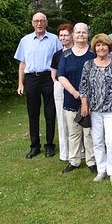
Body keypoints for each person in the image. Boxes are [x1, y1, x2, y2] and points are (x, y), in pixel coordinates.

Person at [79, 34, 112, 186]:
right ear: (94, 48)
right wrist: (84, 105)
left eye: (104, 45)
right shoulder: (88, 65)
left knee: (111, 140)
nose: (101, 48)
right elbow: (83, 86)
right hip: (94, 110)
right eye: (98, 45)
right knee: (98, 141)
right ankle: (102, 170)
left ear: (109, 47)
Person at [14, 12, 62, 159]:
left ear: (46, 23)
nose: (39, 24)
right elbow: (22, 64)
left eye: (42, 21)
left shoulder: (54, 39)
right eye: (36, 21)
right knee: (33, 113)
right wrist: (20, 83)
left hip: (48, 77)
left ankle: (49, 146)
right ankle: (34, 146)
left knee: (50, 112)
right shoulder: (25, 40)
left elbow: (60, 59)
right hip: (31, 78)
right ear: (32, 23)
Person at [57, 23, 97, 173]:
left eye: (84, 32)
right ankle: (74, 161)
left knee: (88, 132)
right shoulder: (66, 56)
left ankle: (91, 161)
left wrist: (86, 96)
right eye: (78, 32)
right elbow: (60, 75)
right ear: (73, 35)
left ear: (88, 35)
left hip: (91, 101)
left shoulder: (93, 54)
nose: (81, 35)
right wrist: (75, 92)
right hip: (71, 99)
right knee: (73, 132)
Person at [51, 23, 74, 162]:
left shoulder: (78, 51)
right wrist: (59, 85)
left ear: (72, 35)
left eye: (66, 35)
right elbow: (53, 74)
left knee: (77, 121)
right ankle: (65, 153)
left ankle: (80, 151)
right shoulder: (57, 55)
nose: (63, 38)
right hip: (60, 88)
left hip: (75, 88)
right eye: (61, 35)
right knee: (62, 120)